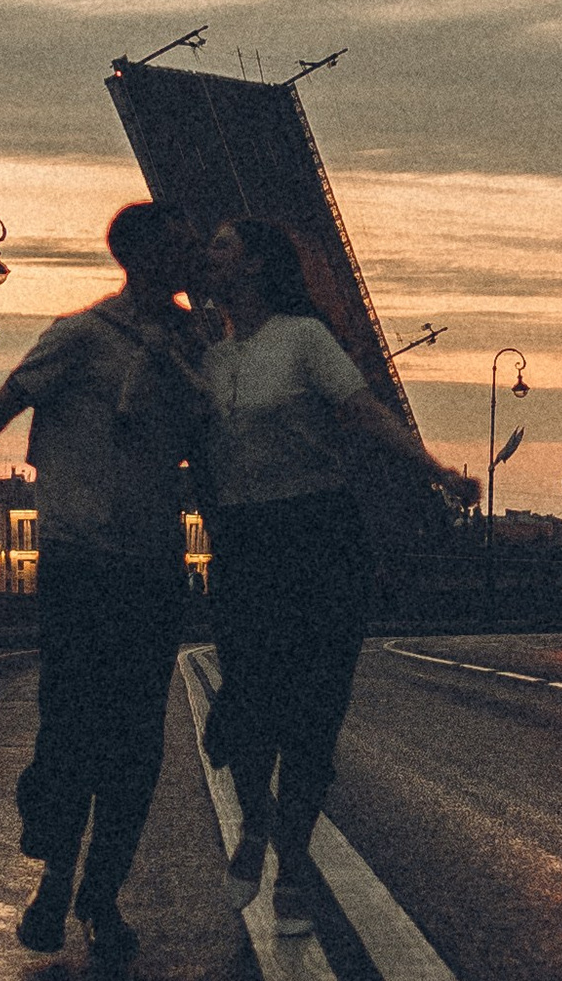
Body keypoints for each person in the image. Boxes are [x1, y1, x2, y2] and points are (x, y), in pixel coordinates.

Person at [0, 198, 208, 968]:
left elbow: (211, 456)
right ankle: (54, 869)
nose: (198, 259)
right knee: (73, 726)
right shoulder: (81, 336)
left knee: (138, 746)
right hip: (81, 561)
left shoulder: (198, 350)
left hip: (152, 569)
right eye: (183, 246)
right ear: (142, 257)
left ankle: (100, 893)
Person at [198, 217, 479, 935]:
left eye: (222, 245)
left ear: (258, 264)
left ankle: (291, 862)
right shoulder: (206, 356)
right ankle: (256, 825)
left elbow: (361, 412)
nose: (209, 256)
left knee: (314, 711)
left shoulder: (303, 339)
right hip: (243, 542)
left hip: (318, 536)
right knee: (247, 702)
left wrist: (436, 469)